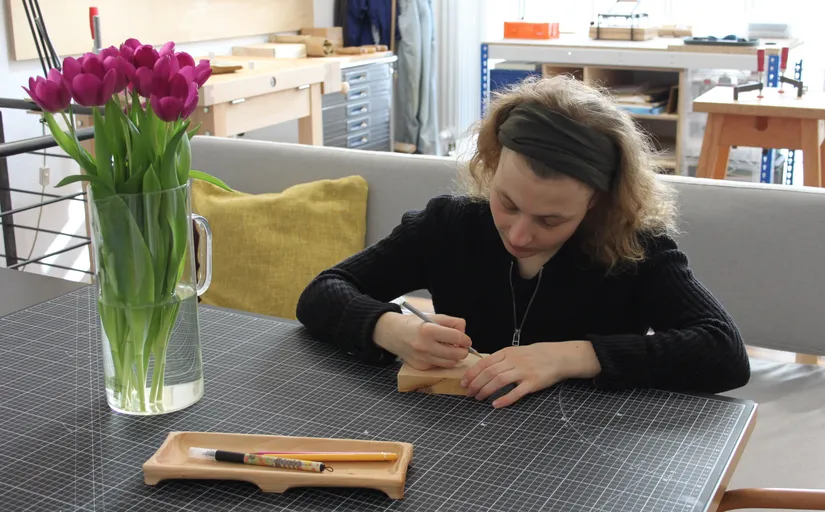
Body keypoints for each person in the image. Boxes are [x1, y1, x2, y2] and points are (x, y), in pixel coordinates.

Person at [296, 75, 750, 408]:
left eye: (551, 220)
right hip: (454, 430)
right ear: (491, 166)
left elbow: (724, 353)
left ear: (597, 202)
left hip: (588, 450)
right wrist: (393, 330)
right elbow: (321, 292)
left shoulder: (635, 249)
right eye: (507, 203)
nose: (519, 234)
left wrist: (571, 357)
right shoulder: (448, 225)